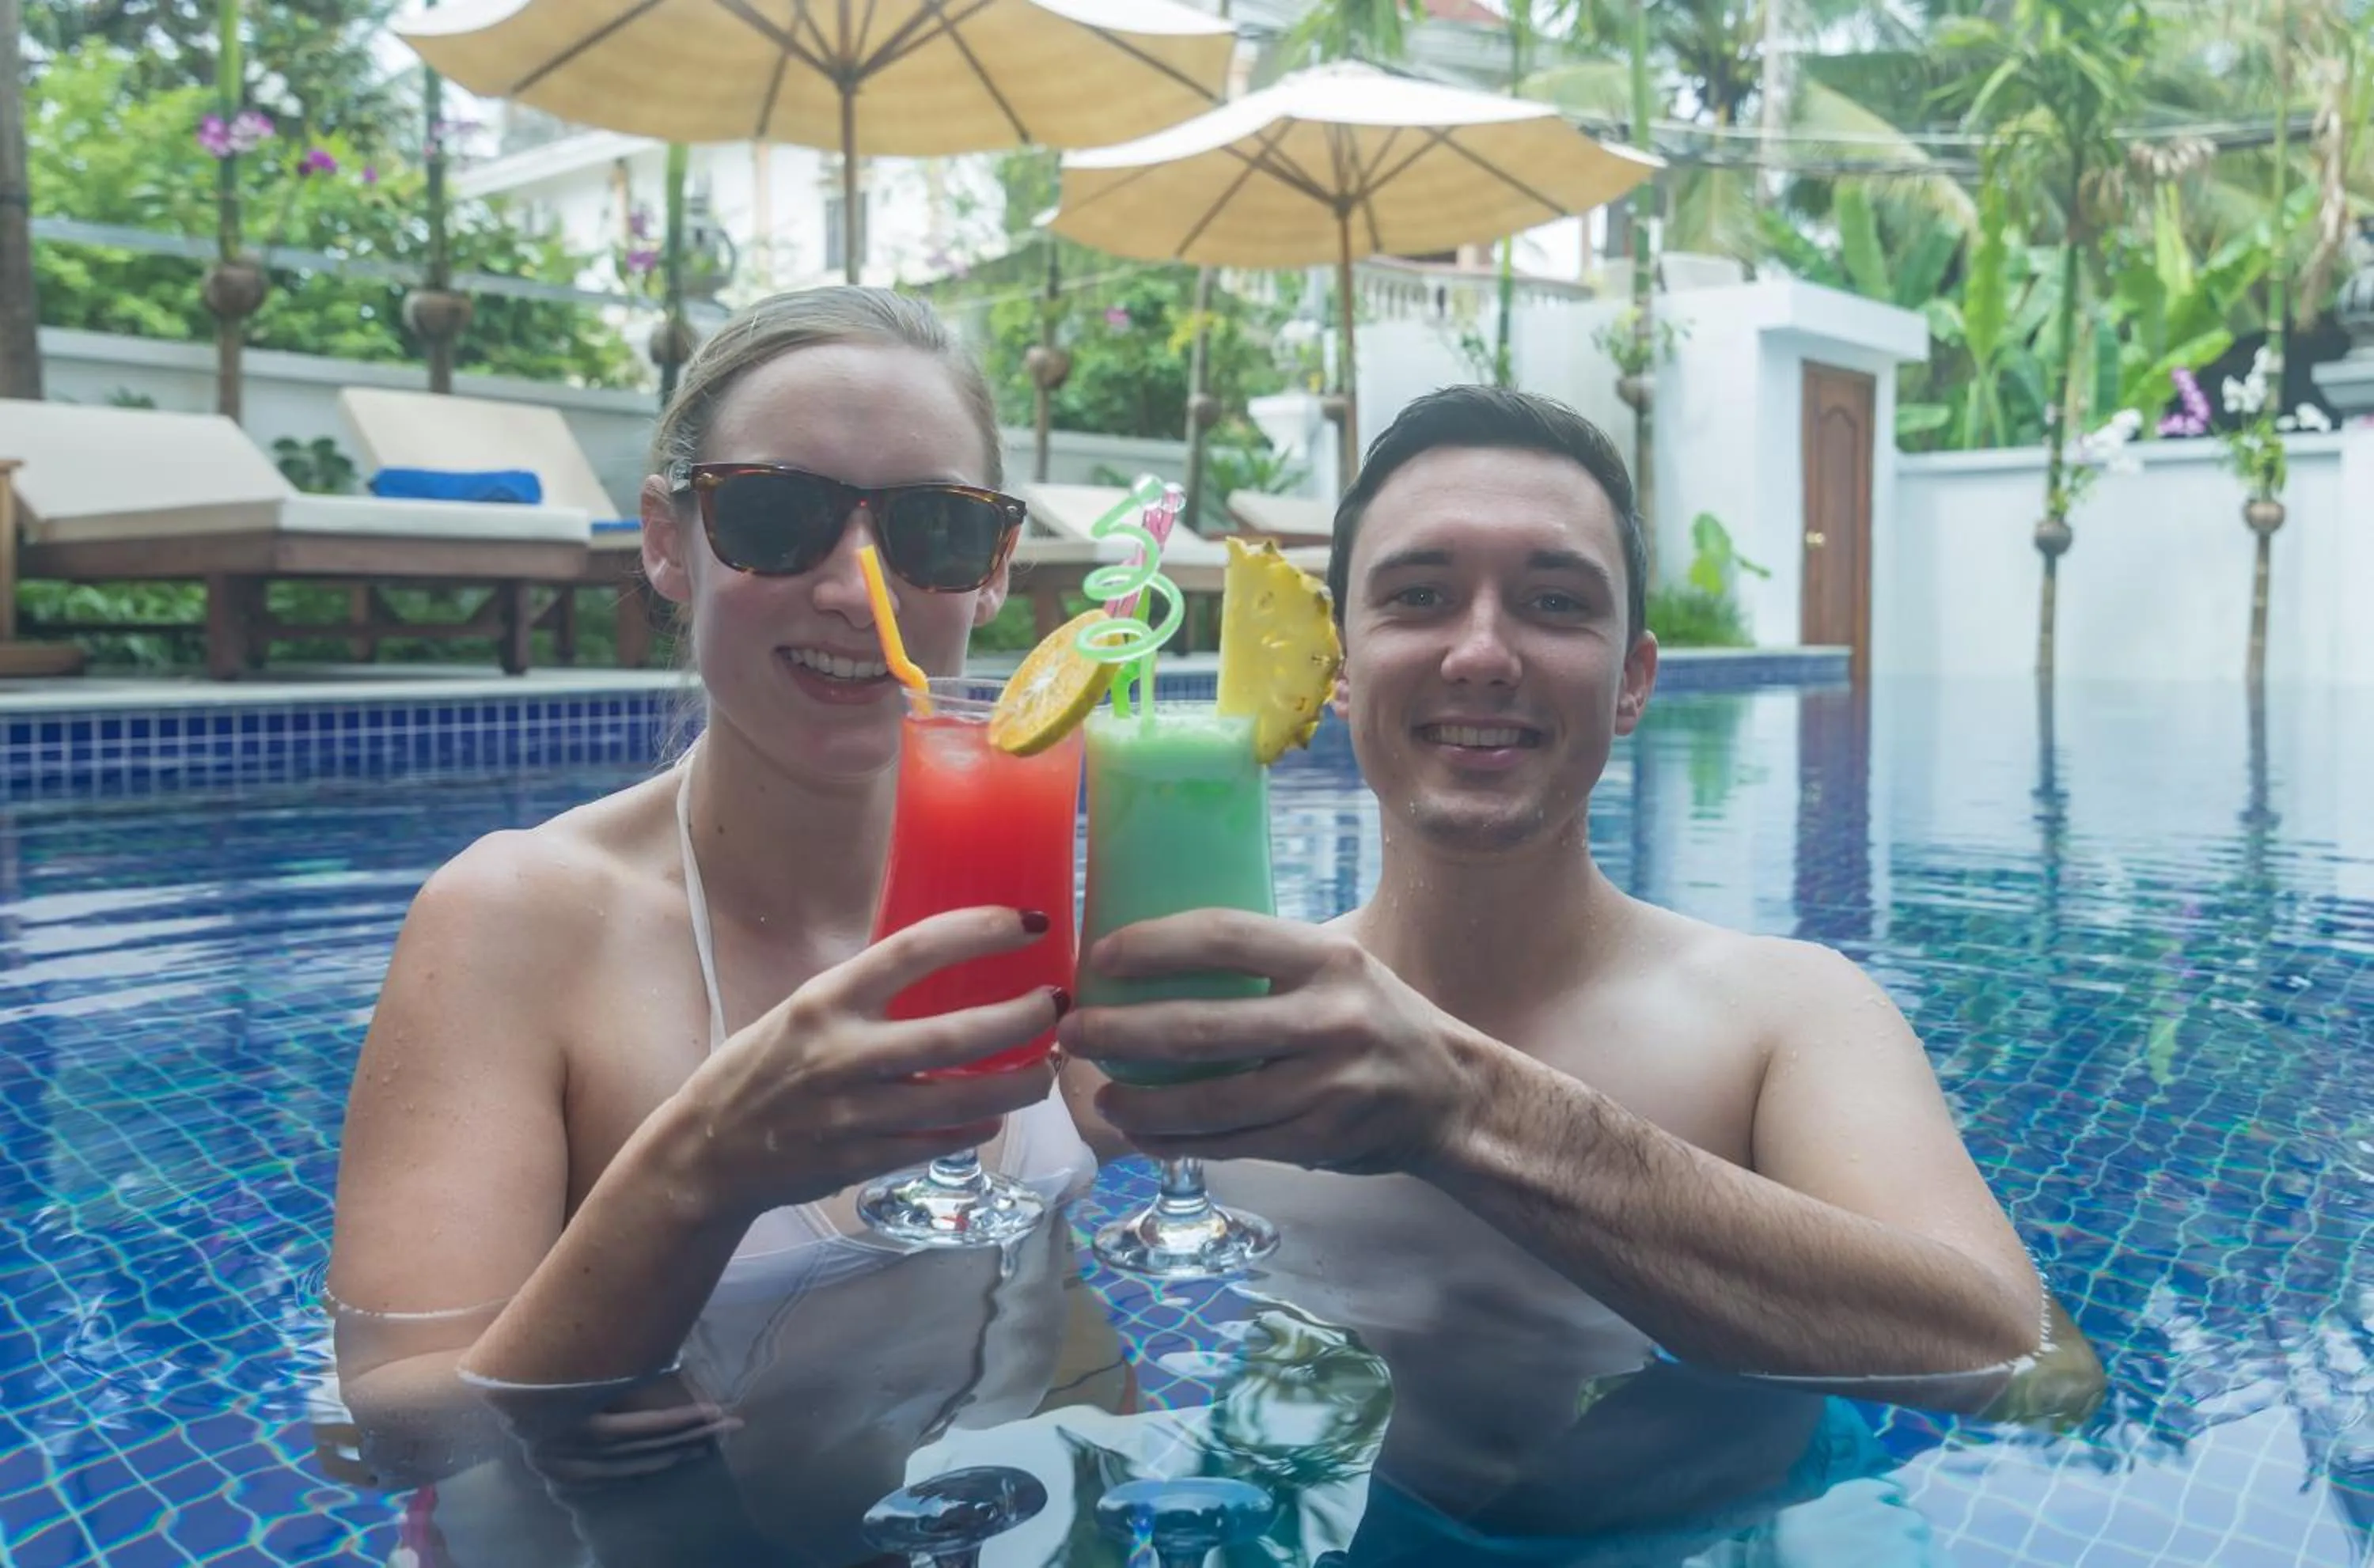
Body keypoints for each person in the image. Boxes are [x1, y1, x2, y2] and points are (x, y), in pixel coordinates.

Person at [1057, 385, 2099, 1557]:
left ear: (1634, 679)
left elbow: (2033, 1367)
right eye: (1418, 597)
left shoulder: (1785, 1015)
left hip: (1709, 1533)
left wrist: (1465, 1108)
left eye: (1554, 603)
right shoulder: (1215, 1026)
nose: (1483, 651)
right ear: (1336, 669)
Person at [324, 287, 1117, 1566]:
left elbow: (1046, 1279)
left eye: (929, 528)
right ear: (667, 542)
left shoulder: (1032, 899)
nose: (859, 593)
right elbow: (387, 1435)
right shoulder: (517, 919)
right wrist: (696, 1170)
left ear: (994, 568)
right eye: (775, 516)